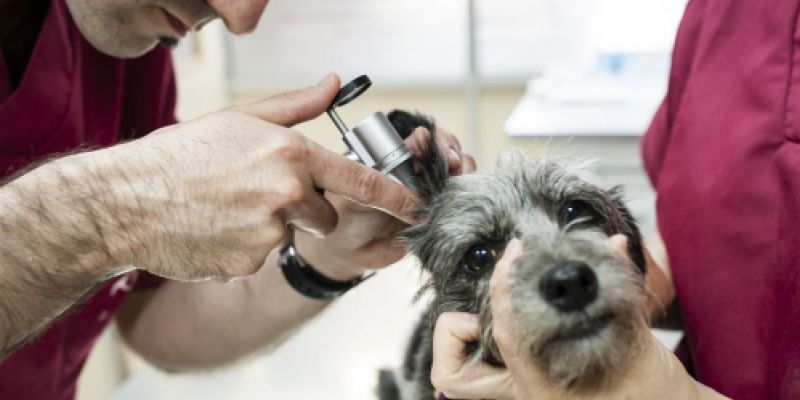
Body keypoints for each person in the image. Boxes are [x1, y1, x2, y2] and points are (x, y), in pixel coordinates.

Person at [0, 0, 473, 398]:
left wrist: (324, 257)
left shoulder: (131, 48)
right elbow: (115, 225)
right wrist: (111, 218)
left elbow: (151, 322)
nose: (240, 18)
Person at [430, 0, 800, 398]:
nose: (565, 274)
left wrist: (676, 394)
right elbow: (693, 252)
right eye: (482, 257)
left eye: (575, 212)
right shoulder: (719, 11)